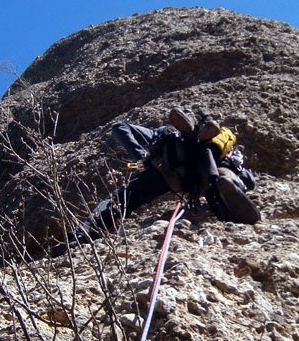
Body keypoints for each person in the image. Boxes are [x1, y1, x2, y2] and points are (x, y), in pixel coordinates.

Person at [52, 107, 259, 255]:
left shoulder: (161, 133)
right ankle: (231, 197)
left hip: (168, 172)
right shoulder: (224, 146)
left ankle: (80, 237)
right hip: (207, 169)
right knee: (222, 180)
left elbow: (120, 127)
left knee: (123, 199)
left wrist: (141, 158)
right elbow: (249, 178)